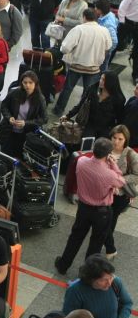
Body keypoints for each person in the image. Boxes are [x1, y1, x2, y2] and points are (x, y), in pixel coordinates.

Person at [55, 138, 125, 275]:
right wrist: (112, 164)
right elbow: (121, 181)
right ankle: (87, 273)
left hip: (83, 208)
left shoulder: (81, 162)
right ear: (108, 154)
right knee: (96, 244)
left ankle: (63, 265)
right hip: (102, 212)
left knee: (75, 237)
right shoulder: (109, 174)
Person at [53, 8, 112, 115]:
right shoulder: (104, 30)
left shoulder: (78, 29)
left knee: (67, 89)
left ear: (84, 17)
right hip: (94, 68)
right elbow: (109, 47)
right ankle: (83, 113)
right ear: (96, 18)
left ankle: (58, 110)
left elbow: (65, 48)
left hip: (76, 66)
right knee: (88, 92)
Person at [104, 125, 137, 260]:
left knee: (109, 220)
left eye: (120, 139)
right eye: (114, 137)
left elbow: (136, 175)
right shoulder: (105, 149)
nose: (116, 141)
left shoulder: (131, 155)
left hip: (120, 195)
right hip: (104, 192)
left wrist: (119, 179)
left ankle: (109, 247)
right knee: (104, 220)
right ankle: (109, 246)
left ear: (125, 140)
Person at [0, 70, 47, 159]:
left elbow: (44, 118)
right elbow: (4, 105)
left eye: (30, 83)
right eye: (25, 82)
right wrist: (9, 117)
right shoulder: (15, 92)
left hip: (25, 134)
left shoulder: (40, 99)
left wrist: (26, 123)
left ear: (35, 83)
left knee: (20, 157)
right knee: (5, 156)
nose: (27, 85)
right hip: (9, 131)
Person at [62, 70, 125, 140]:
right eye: (101, 78)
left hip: (106, 128)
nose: (101, 81)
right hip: (90, 124)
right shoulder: (93, 89)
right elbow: (81, 104)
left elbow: (119, 117)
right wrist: (68, 115)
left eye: (104, 80)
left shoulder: (118, 99)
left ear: (111, 83)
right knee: (86, 142)